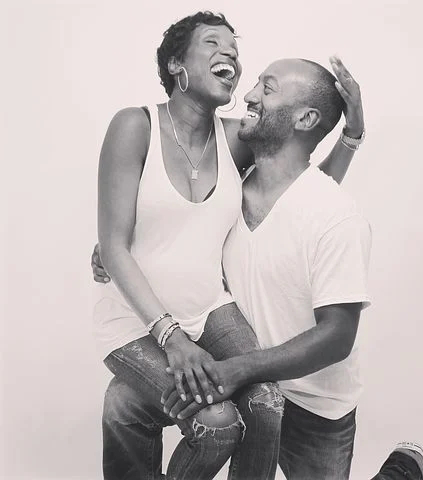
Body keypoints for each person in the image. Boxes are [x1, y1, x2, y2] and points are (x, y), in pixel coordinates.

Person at [93, 11, 363, 480]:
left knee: (266, 404)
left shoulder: (235, 138)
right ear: (176, 64)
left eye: (234, 50)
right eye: (212, 44)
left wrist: (351, 136)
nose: (230, 55)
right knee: (216, 425)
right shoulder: (135, 126)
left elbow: (299, 185)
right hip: (138, 322)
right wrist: (170, 335)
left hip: (210, 311)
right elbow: (114, 245)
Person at [159, 58, 423, 480]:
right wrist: (119, 245)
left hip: (313, 407)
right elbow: (176, 231)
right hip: (248, 389)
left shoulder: (337, 218)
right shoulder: (228, 191)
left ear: (305, 119)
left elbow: (336, 337)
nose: (248, 95)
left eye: (267, 88)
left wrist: (239, 369)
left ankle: (403, 471)